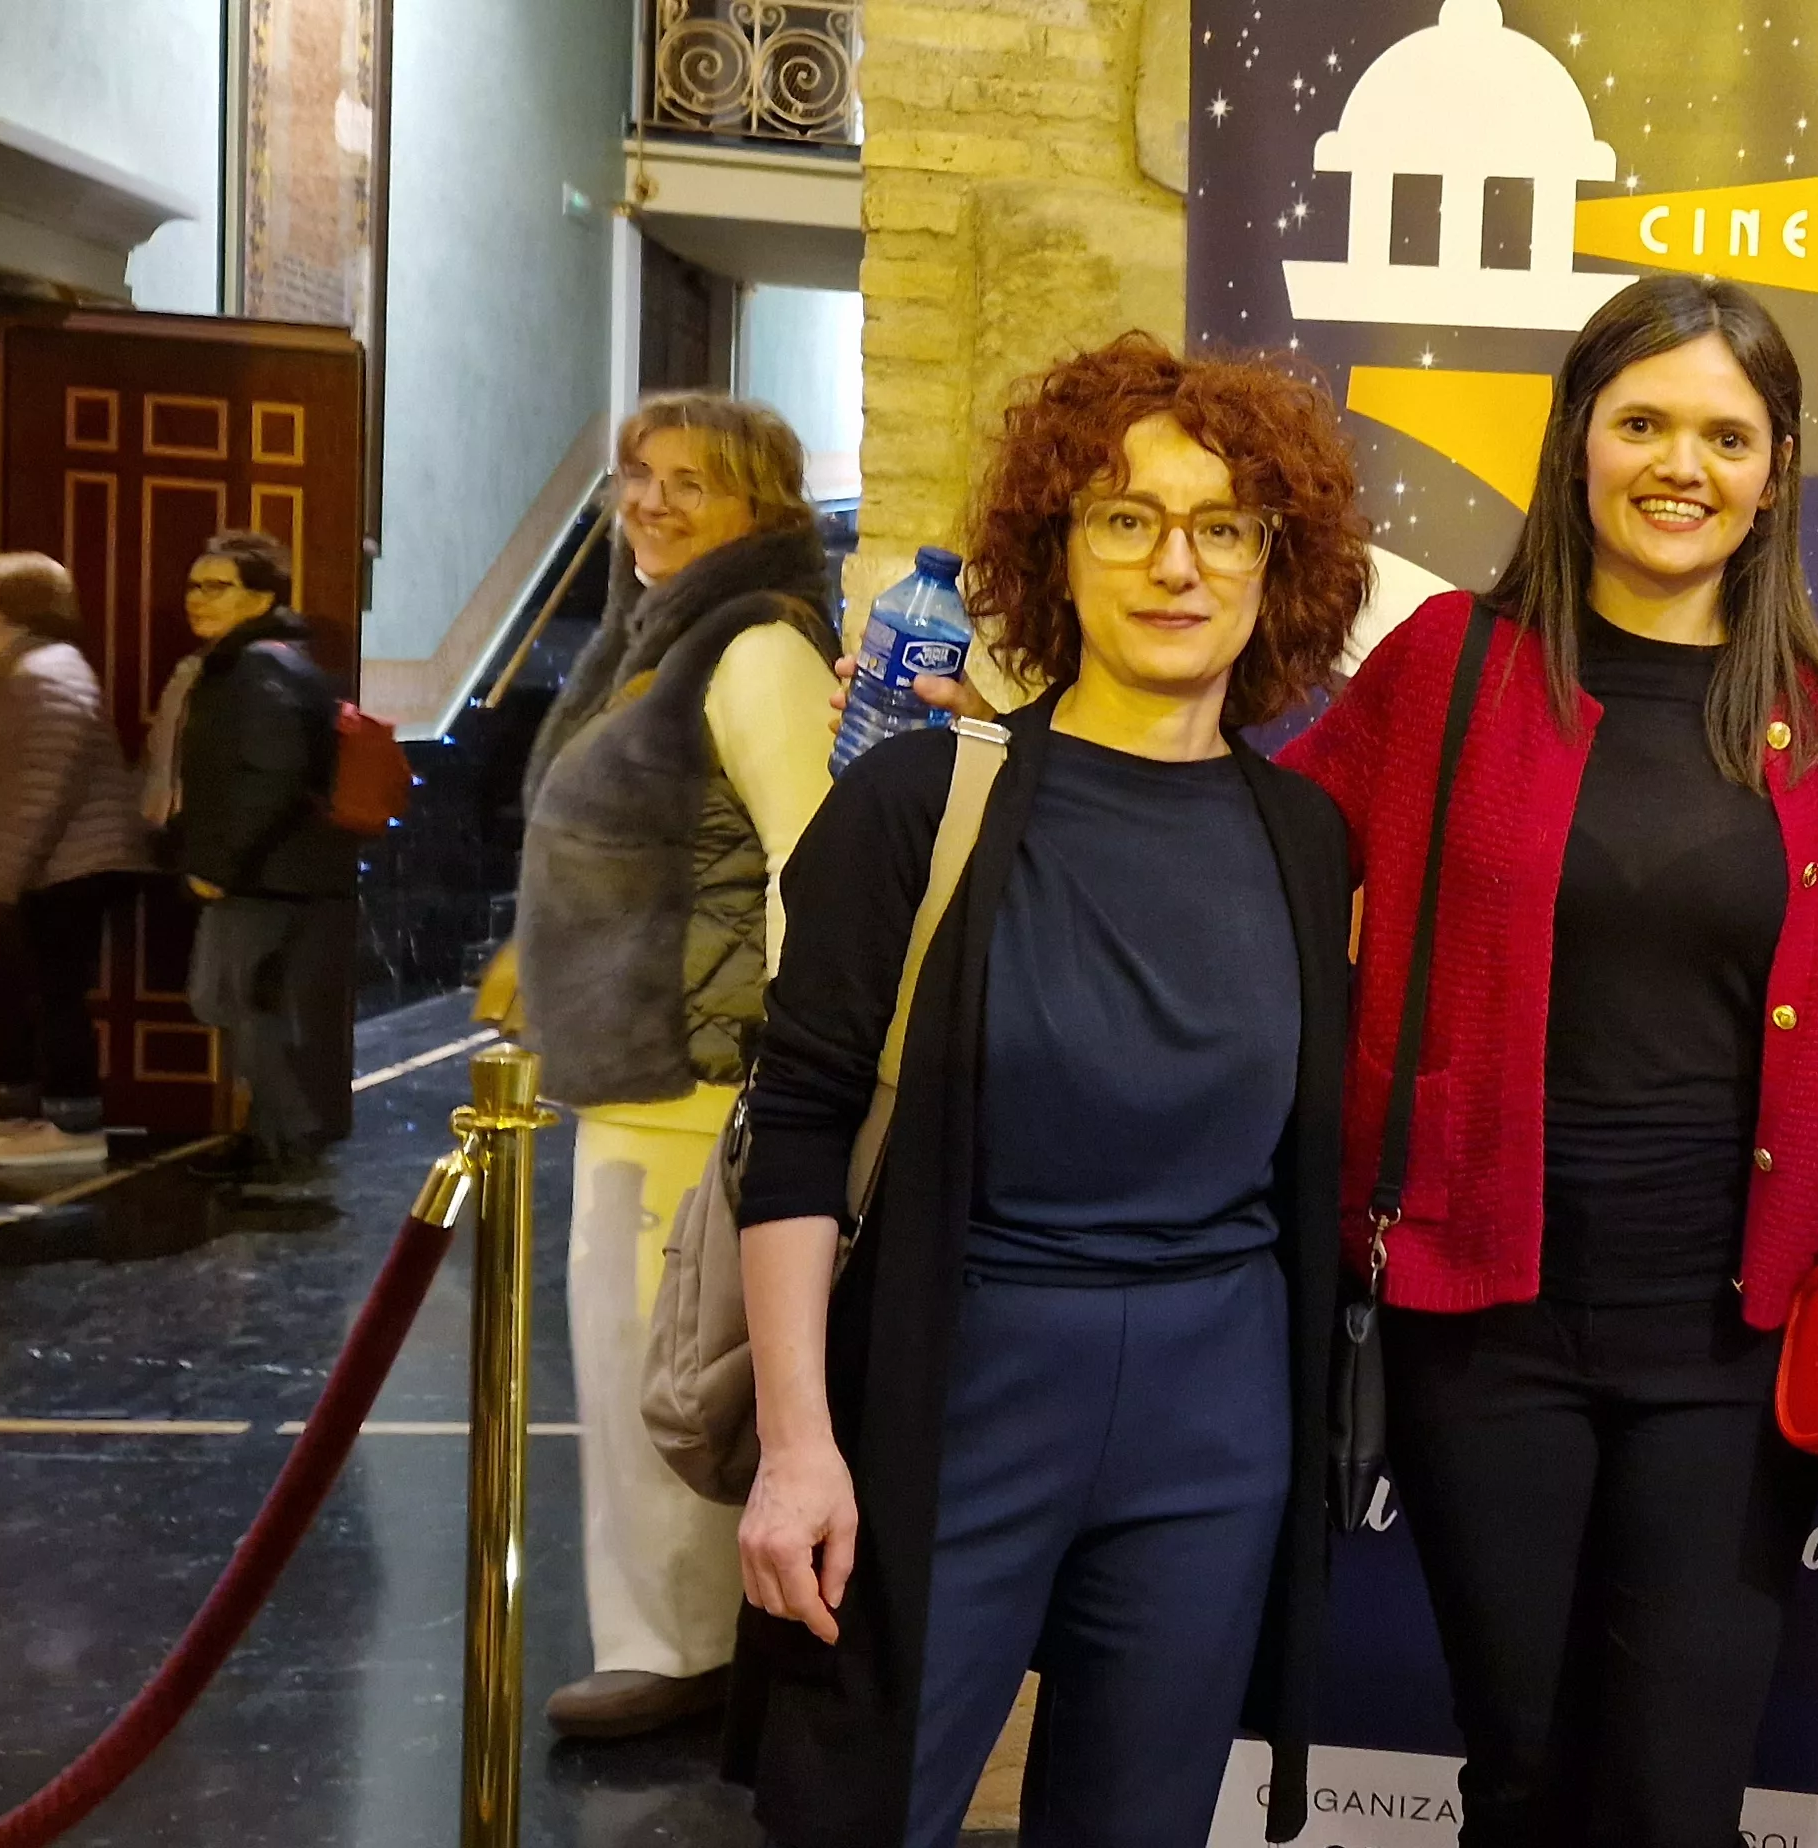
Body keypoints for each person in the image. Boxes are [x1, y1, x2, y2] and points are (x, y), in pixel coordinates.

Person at [1279, 274, 1818, 1848]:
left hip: (1734, 1336)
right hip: (1487, 1322)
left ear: (1775, 472)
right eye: (1641, 421)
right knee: (1527, 1774)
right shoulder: (1445, 666)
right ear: (1575, 444)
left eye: (1724, 433)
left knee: (1679, 1794)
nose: (1678, 463)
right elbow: (1255, 852)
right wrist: (1043, 745)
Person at [725, 333, 1362, 1848]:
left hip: (1218, 1413)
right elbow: (802, 1127)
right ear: (1054, 553)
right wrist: (799, 1444)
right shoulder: (918, 804)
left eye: (1224, 527)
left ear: (1279, 566)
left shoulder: (1308, 838)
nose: (1175, 565)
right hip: (957, 1375)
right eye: (1125, 519)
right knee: (857, 1815)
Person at [510, 393, 844, 1739]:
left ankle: (688, 1647)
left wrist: (792, 1075)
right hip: (637, 1079)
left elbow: (808, 865)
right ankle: (664, 1634)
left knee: (672, 1396)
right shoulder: (657, 634)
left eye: (690, 482)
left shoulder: (756, 644)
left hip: (701, 1087)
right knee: (629, 1380)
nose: (650, 501)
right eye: (638, 475)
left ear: (758, 505)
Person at [0, 554, 152, 1167]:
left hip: (69, 865)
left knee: (52, 989)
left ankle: (73, 1123)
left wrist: (1, 883)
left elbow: (41, 794)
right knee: (7, 981)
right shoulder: (13, 673)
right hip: (44, 865)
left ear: (14, 609)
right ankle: (3, 1107)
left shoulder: (46, 674)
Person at [147, 529, 358, 1196]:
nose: (196, 599)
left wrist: (220, 864)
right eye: (193, 585)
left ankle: (285, 1140)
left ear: (260, 597)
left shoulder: (257, 666)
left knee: (234, 1000)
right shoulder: (252, 661)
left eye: (217, 587)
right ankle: (269, 1137)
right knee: (243, 1002)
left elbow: (270, 775)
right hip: (267, 873)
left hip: (263, 876)